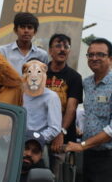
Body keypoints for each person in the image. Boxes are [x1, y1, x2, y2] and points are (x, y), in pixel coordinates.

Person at [65, 38, 112, 182]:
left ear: (110, 58)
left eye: (100, 55)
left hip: (111, 157)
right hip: (89, 155)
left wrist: (82, 145)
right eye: (91, 55)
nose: (94, 58)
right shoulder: (87, 83)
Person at [45, 34, 83, 179]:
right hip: (39, 134)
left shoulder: (74, 77)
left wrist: (60, 132)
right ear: (50, 50)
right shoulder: (40, 72)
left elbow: (71, 108)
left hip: (62, 138)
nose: (62, 50)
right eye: (58, 46)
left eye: (66, 46)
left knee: (57, 176)